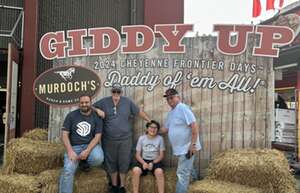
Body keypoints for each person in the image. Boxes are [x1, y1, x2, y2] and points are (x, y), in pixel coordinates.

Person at [93, 83, 151, 193]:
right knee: (111, 162)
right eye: (114, 91)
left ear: (121, 92)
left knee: (124, 161)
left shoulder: (127, 102)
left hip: (125, 139)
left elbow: (139, 112)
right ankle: (114, 186)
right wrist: (97, 110)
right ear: (111, 92)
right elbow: (90, 106)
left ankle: (122, 186)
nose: (116, 93)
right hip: (108, 139)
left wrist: (149, 121)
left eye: (118, 92)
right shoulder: (104, 102)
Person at [59, 95, 104, 193]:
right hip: (74, 147)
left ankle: (83, 161)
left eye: (86, 102)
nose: (84, 104)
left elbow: (97, 137)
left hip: (90, 146)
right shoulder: (71, 116)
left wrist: (87, 151)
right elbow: (64, 135)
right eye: (82, 103)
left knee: (98, 158)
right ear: (79, 104)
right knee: (68, 171)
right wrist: (70, 151)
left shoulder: (97, 117)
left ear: (90, 103)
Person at [160, 88, 201, 193]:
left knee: (182, 174)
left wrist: (193, 145)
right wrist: (153, 129)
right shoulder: (171, 113)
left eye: (172, 97)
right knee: (188, 170)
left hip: (187, 147)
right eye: (168, 99)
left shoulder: (182, 108)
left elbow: (194, 126)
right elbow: (165, 129)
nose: (169, 100)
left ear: (178, 97)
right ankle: (198, 186)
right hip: (180, 148)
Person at [132, 120, 165, 193]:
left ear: (157, 130)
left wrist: (153, 163)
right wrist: (143, 163)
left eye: (155, 128)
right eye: (151, 127)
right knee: (135, 170)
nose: (153, 129)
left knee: (159, 172)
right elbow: (137, 155)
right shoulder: (142, 138)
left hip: (155, 161)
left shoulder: (160, 138)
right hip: (143, 160)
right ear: (147, 128)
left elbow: (161, 155)